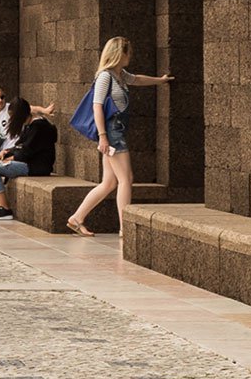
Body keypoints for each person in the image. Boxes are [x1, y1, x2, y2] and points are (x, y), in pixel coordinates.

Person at [67, 37, 174, 236]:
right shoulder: (105, 76)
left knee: (109, 183)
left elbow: (137, 79)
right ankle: (125, 228)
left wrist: (160, 80)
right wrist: (103, 136)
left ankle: (76, 218)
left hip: (115, 131)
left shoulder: (120, 75)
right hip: (112, 133)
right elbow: (97, 107)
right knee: (126, 179)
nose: (130, 56)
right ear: (120, 54)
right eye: (128, 52)